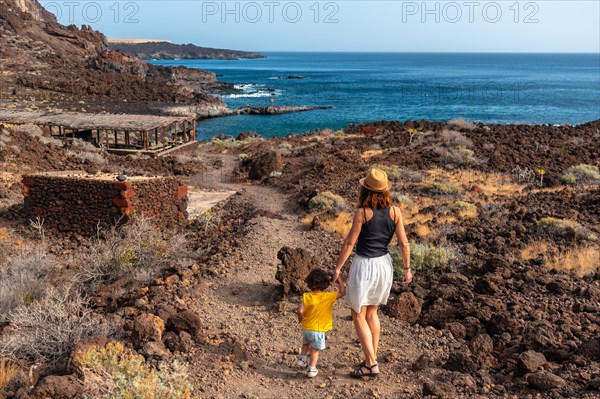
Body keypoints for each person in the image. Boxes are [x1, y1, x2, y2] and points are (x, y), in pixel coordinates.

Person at [333, 168, 411, 378]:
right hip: (384, 265)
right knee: (372, 312)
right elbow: (404, 243)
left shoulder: (363, 213)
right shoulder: (395, 212)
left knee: (357, 313)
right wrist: (407, 268)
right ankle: (370, 359)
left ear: (365, 189)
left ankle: (371, 364)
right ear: (385, 191)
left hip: (365, 265)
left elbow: (350, 242)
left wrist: (338, 267)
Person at [296, 268, 346, 378]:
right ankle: (311, 368)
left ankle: (301, 359)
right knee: (315, 349)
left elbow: (300, 311)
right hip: (318, 330)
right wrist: (340, 281)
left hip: (306, 327)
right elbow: (342, 292)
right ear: (325, 284)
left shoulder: (306, 296)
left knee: (306, 344)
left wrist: (300, 318)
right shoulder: (327, 297)